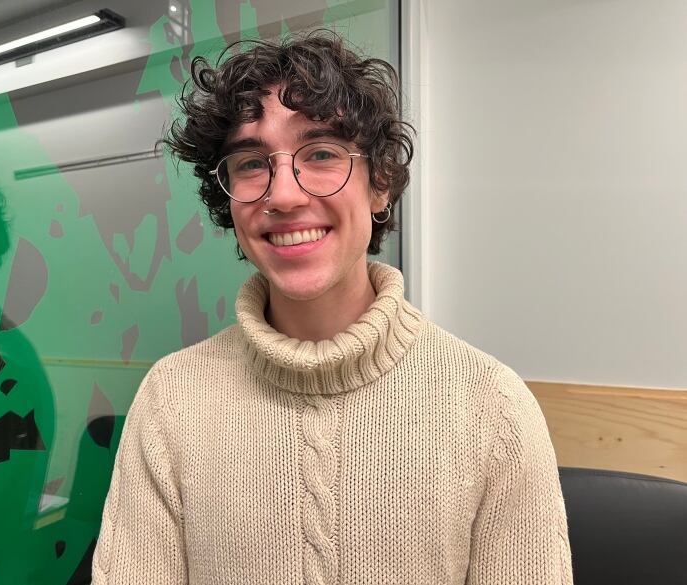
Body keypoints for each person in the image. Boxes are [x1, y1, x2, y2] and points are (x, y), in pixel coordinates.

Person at [92, 31, 573, 584]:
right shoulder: (170, 401)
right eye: (251, 163)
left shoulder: (493, 411)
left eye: (320, 153)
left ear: (382, 184)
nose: (283, 195)